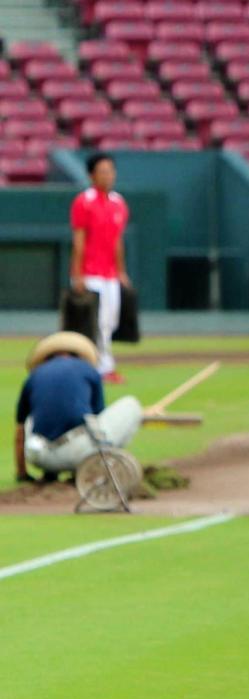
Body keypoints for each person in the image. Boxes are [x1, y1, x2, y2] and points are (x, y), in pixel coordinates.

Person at [14, 332, 142, 483]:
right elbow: (97, 418)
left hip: (38, 455)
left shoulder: (33, 376)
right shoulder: (88, 370)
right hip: (80, 455)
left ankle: (50, 473)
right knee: (131, 404)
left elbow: (20, 431)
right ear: (78, 354)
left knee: (30, 417)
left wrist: (22, 473)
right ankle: (96, 469)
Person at [70, 153, 130, 384]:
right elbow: (79, 240)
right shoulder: (83, 201)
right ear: (91, 175)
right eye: (102, 171)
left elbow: (117, 240)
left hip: (110, 274)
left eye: (110, 171)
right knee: (96, 322)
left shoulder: (118, 203)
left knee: (110, 321)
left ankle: (101, 365)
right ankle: (103, 368)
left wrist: (121, 271)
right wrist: (77, 274)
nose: (108, 176)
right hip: (90, 273)